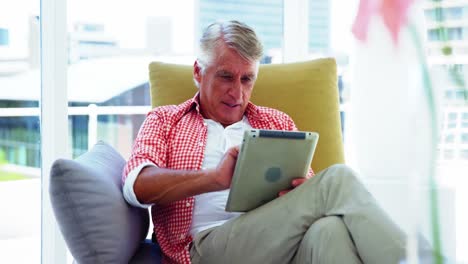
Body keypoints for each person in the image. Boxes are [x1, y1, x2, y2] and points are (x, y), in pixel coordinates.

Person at [123, 20, 431, 264]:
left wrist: (298, 191)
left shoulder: (275, 122)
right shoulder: (166, 120)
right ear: (198, 72)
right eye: (226, 77)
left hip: (283, 244)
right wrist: (214, 178)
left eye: (247, 79)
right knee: (337, 178)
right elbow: (136, 186)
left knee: (329, 231)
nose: (238, 93)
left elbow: (314, 196)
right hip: (204, 249)